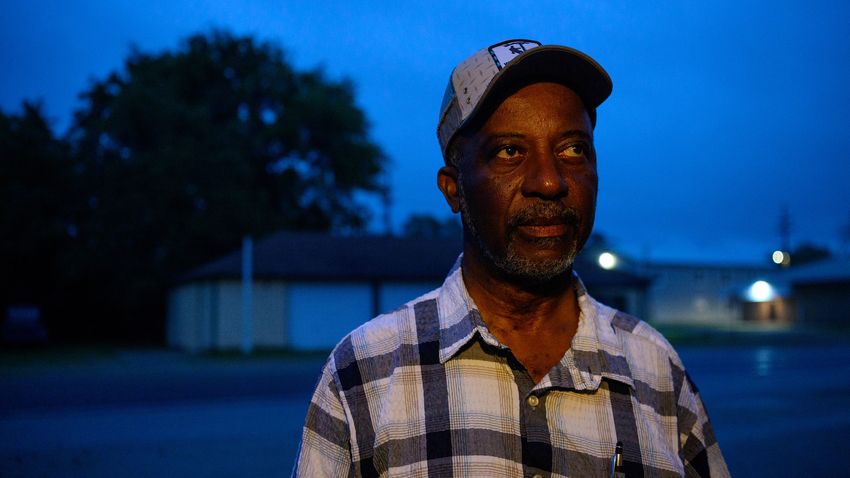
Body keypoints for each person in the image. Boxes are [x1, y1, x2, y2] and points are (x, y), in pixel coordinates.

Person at [292, 39, 729, 477]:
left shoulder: (655, 368)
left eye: (573, 149)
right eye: (510, 151)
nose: (549, 181)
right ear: (453, 189)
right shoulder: (365, 372)